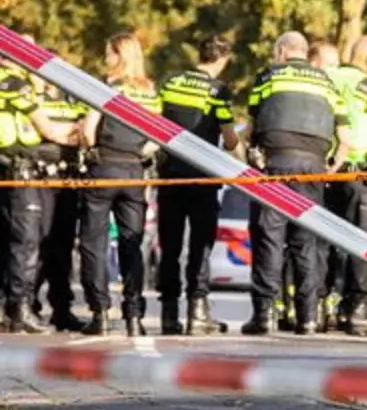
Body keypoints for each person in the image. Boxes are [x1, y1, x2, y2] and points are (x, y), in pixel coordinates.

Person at [242, 31, 351, 336]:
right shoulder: (327, 83)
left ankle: (265, 315)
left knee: (270, 238)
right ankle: (308, 318)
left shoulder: (268, 77)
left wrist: (250, 156)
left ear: (282, 51)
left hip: (275, 164)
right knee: (307, 242)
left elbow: (250, 127)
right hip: (313, 168)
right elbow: (346, 139)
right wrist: (332, 167)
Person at [79, 31, 163, 336]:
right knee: (132, 243)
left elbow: (89, 130)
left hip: (103, 168)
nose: (105, 58)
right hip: (134, 172)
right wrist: (139, 154)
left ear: (119, 55)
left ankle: (100, 312)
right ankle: (134, 317)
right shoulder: (149, 92)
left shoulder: (105, 87)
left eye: (109, 53)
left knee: (94, 242)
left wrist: (90, 149)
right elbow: (157, 139)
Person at [155, 34, 239, 336]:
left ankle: (168, 314)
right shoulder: (218, 90)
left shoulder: (171, 81)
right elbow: (230, 139)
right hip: (203, 175)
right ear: (223, 59)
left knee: (170, 245)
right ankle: (197, 312)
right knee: (200, 245)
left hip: (170, 173)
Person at [319, 35, 367, 336]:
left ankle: (327, 306)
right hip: (362, 174)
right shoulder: (366, 85)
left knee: (330, 242)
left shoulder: (329, 77)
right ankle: (357, 311)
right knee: (363, 245)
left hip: (331, 171)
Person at [0, 57, 80, 333]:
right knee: (26, 242)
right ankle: (20, 309)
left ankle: (7, 309)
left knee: (7, 240)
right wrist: (74, 134)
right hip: (18, 171)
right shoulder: (13, 83)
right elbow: (48, 129)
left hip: (7, 168)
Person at [32, 80, 87, 331]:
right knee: (36, 243)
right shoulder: (34, 97)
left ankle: (62, 309)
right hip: (40, 177)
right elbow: (40, 131)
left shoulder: (73, 99)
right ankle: (28, 304)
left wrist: (60, 132)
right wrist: (63, 132)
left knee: (63, 246)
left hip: (68, 179)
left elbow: (83, 134)